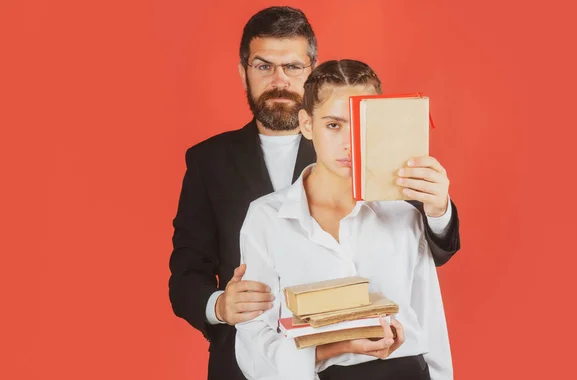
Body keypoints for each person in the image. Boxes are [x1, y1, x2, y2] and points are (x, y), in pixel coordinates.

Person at [169, 6, 460, 380]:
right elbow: (185, 273)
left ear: (310, 72)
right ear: (244, 73)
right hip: (255, 363)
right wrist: (220, 306)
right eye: (263, 66)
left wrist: (439, 210)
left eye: (292, 67)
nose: (279, 80)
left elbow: (425, 276)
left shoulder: (374, 166)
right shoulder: (211, 164)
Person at [235, 59, 452, 380]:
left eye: (362, 124)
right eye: (334, 125)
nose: (350, 143)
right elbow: (254, 336)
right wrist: (329, 349)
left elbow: (431, 321)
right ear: (307, 124)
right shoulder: (266, 217)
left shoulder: (404, 213)